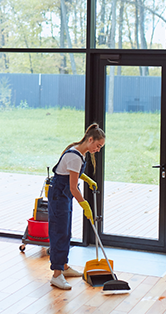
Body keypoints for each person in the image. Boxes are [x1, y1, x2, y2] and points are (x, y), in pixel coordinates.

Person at [47, 123, 105, 290]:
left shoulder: (79, 151)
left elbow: (72, 173)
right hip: (60, 196)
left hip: (63, 196)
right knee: (60, 233)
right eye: (98, 145)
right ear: (90, 139)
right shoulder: (75, 156)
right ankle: (56, 275)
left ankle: (63, 267)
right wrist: (84, 204)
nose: (98, 149)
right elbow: (73, 187)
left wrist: (86, 179)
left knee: (66, 232)